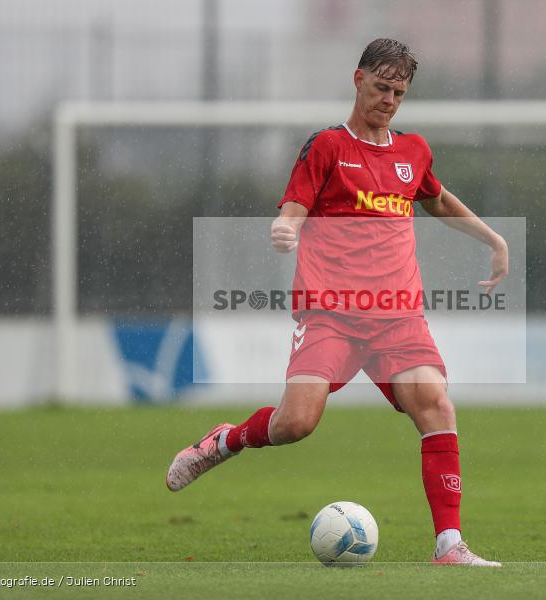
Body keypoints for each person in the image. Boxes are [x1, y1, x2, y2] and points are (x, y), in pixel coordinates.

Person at [167, 38, 508, 567]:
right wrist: (285, 227)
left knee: (438, 407)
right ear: (358, 79)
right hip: (329, 313)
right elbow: (295, 204)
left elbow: (435, 198)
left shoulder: (413, 151)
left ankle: (450, 545)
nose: (389, 100)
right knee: (295, 424)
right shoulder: (327, 146)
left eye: (399, 92)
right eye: (381, 87)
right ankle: (225, 441)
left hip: (398, 316)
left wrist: (493, 239)